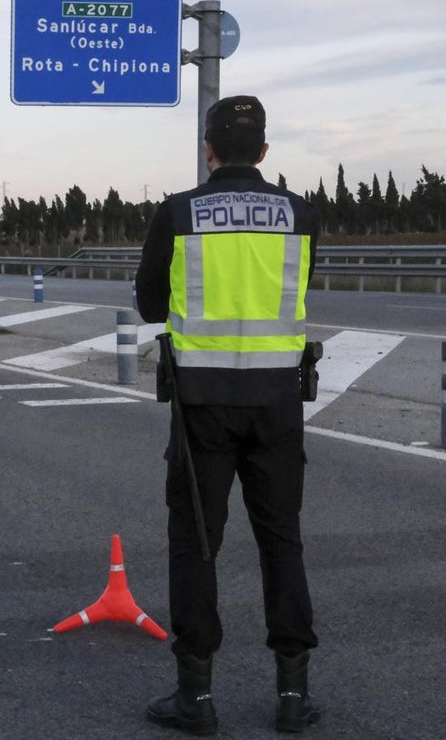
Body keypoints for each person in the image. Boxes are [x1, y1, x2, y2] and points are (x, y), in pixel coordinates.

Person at [135, 96, 321, 735]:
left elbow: (148, 304)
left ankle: (197, 696)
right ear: (264, 151)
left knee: (197, 544)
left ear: (208, 150)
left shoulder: (179, 211)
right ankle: (294, 696)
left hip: (202, 406)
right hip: (277, 402)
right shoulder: (300, 214)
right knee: (281, 541)